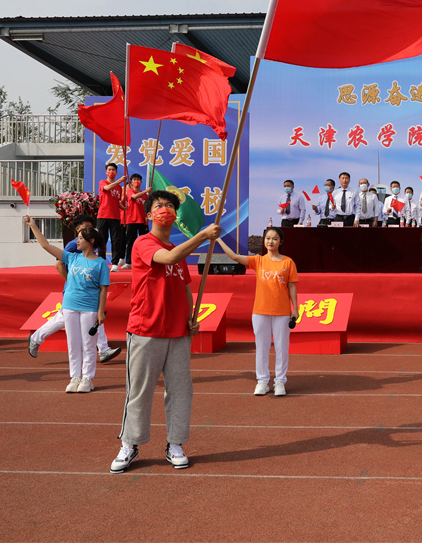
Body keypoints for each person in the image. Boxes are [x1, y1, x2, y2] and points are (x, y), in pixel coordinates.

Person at [110, 190, 221, 474]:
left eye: (170, 206)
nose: (165, 209)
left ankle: (175, 444)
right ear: (149, 215)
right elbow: (169, 258)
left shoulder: (178, 250)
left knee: (181, 390)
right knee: (140, 391)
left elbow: (185, 286)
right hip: (146, 329)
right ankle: (130, 443)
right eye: (159, 206)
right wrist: (203, 236)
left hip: (178, 332)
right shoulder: (143, 243)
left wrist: (191, 317)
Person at [25, 215, 109, 394]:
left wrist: (100, 312)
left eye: (80, 238)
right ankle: (75, 377)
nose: (77, 241)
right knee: (73, 344)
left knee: (88, 345)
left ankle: (87, 378)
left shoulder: (101, 264)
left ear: (91, 241)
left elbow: (103, 290)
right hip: (70, 306)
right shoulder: (72, 258)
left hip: (89, 309)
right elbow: (46, 245)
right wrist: (33, 226)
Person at [217, 228, 298, 396]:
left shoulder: (288, 262)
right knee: (261, 347)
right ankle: (262, 381)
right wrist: (218, 240)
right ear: (264, 241)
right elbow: (234, 257)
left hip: (282, 311)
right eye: (268, 238)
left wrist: (295, 308)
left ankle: (280, 381)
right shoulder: (258, 260)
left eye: (274, 239)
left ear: (281, 242)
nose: (270, 242)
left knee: (282, 348)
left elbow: (291, 286)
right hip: (260, 311)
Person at [98, 162, 127, 271]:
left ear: (116, 172)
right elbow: (107, 188)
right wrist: (120, 180)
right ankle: (102, 262)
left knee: (116, 240)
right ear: (106, 172)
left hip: (115, 216)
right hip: (103, 215)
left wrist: (122, 207)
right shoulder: (103, 182)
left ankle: (114, 263)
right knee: (102, 240)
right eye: (109, 169)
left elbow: (116, 201)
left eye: (113, 170)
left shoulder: (119, 188)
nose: (111, 171)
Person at [123, 173, 152, 268]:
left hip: (143, 221)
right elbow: (134, 197)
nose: (136, 181)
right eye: (134, 179)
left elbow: (148, 208)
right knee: (131, 242)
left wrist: (148, 216)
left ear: (141, 182)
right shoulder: (130, 191)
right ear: (131, 182)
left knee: (144, 243)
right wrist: (146, 191)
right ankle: (129, 262)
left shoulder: (145, 196)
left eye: (138, 179)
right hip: (132, 220)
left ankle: (145, 261)